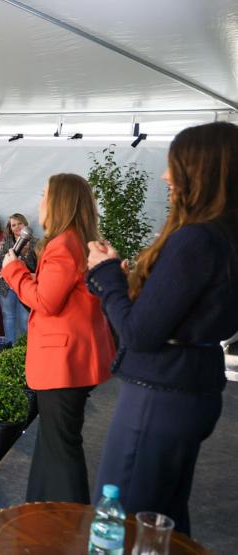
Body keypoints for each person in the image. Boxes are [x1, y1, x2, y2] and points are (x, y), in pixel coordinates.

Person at [85, 122, 238, 535]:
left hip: (160, 395)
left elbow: (137, 334)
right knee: (162, 521)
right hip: (192, 387)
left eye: (175, 167)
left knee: (120, 521)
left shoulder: (195, 240)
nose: (165, 177)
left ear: (200, 173)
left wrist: (105, 276)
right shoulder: (224, 238)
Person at [0, 173, 115, 504]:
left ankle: (68, 523)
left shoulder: (63, 244)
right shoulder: (80, 240)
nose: (40, 201)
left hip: (63, 364)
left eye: (44, 194)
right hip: (73, 360)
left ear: (59, 202)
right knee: (55, 441)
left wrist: (14, 270)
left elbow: (45, 301)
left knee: (61, 446)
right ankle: (40, 509)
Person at [0, 214, 37, 349]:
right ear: (10, 228)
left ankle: (22, 348)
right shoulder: (5, 241)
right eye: (13, 225)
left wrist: (26, 253)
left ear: (25, 225)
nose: (17, 227)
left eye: (20, 224)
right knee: (9, 316)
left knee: (24, 318)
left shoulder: (35, 242)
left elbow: (37, 265)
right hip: (6, 285)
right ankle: (10, 347)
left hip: (26, 284)